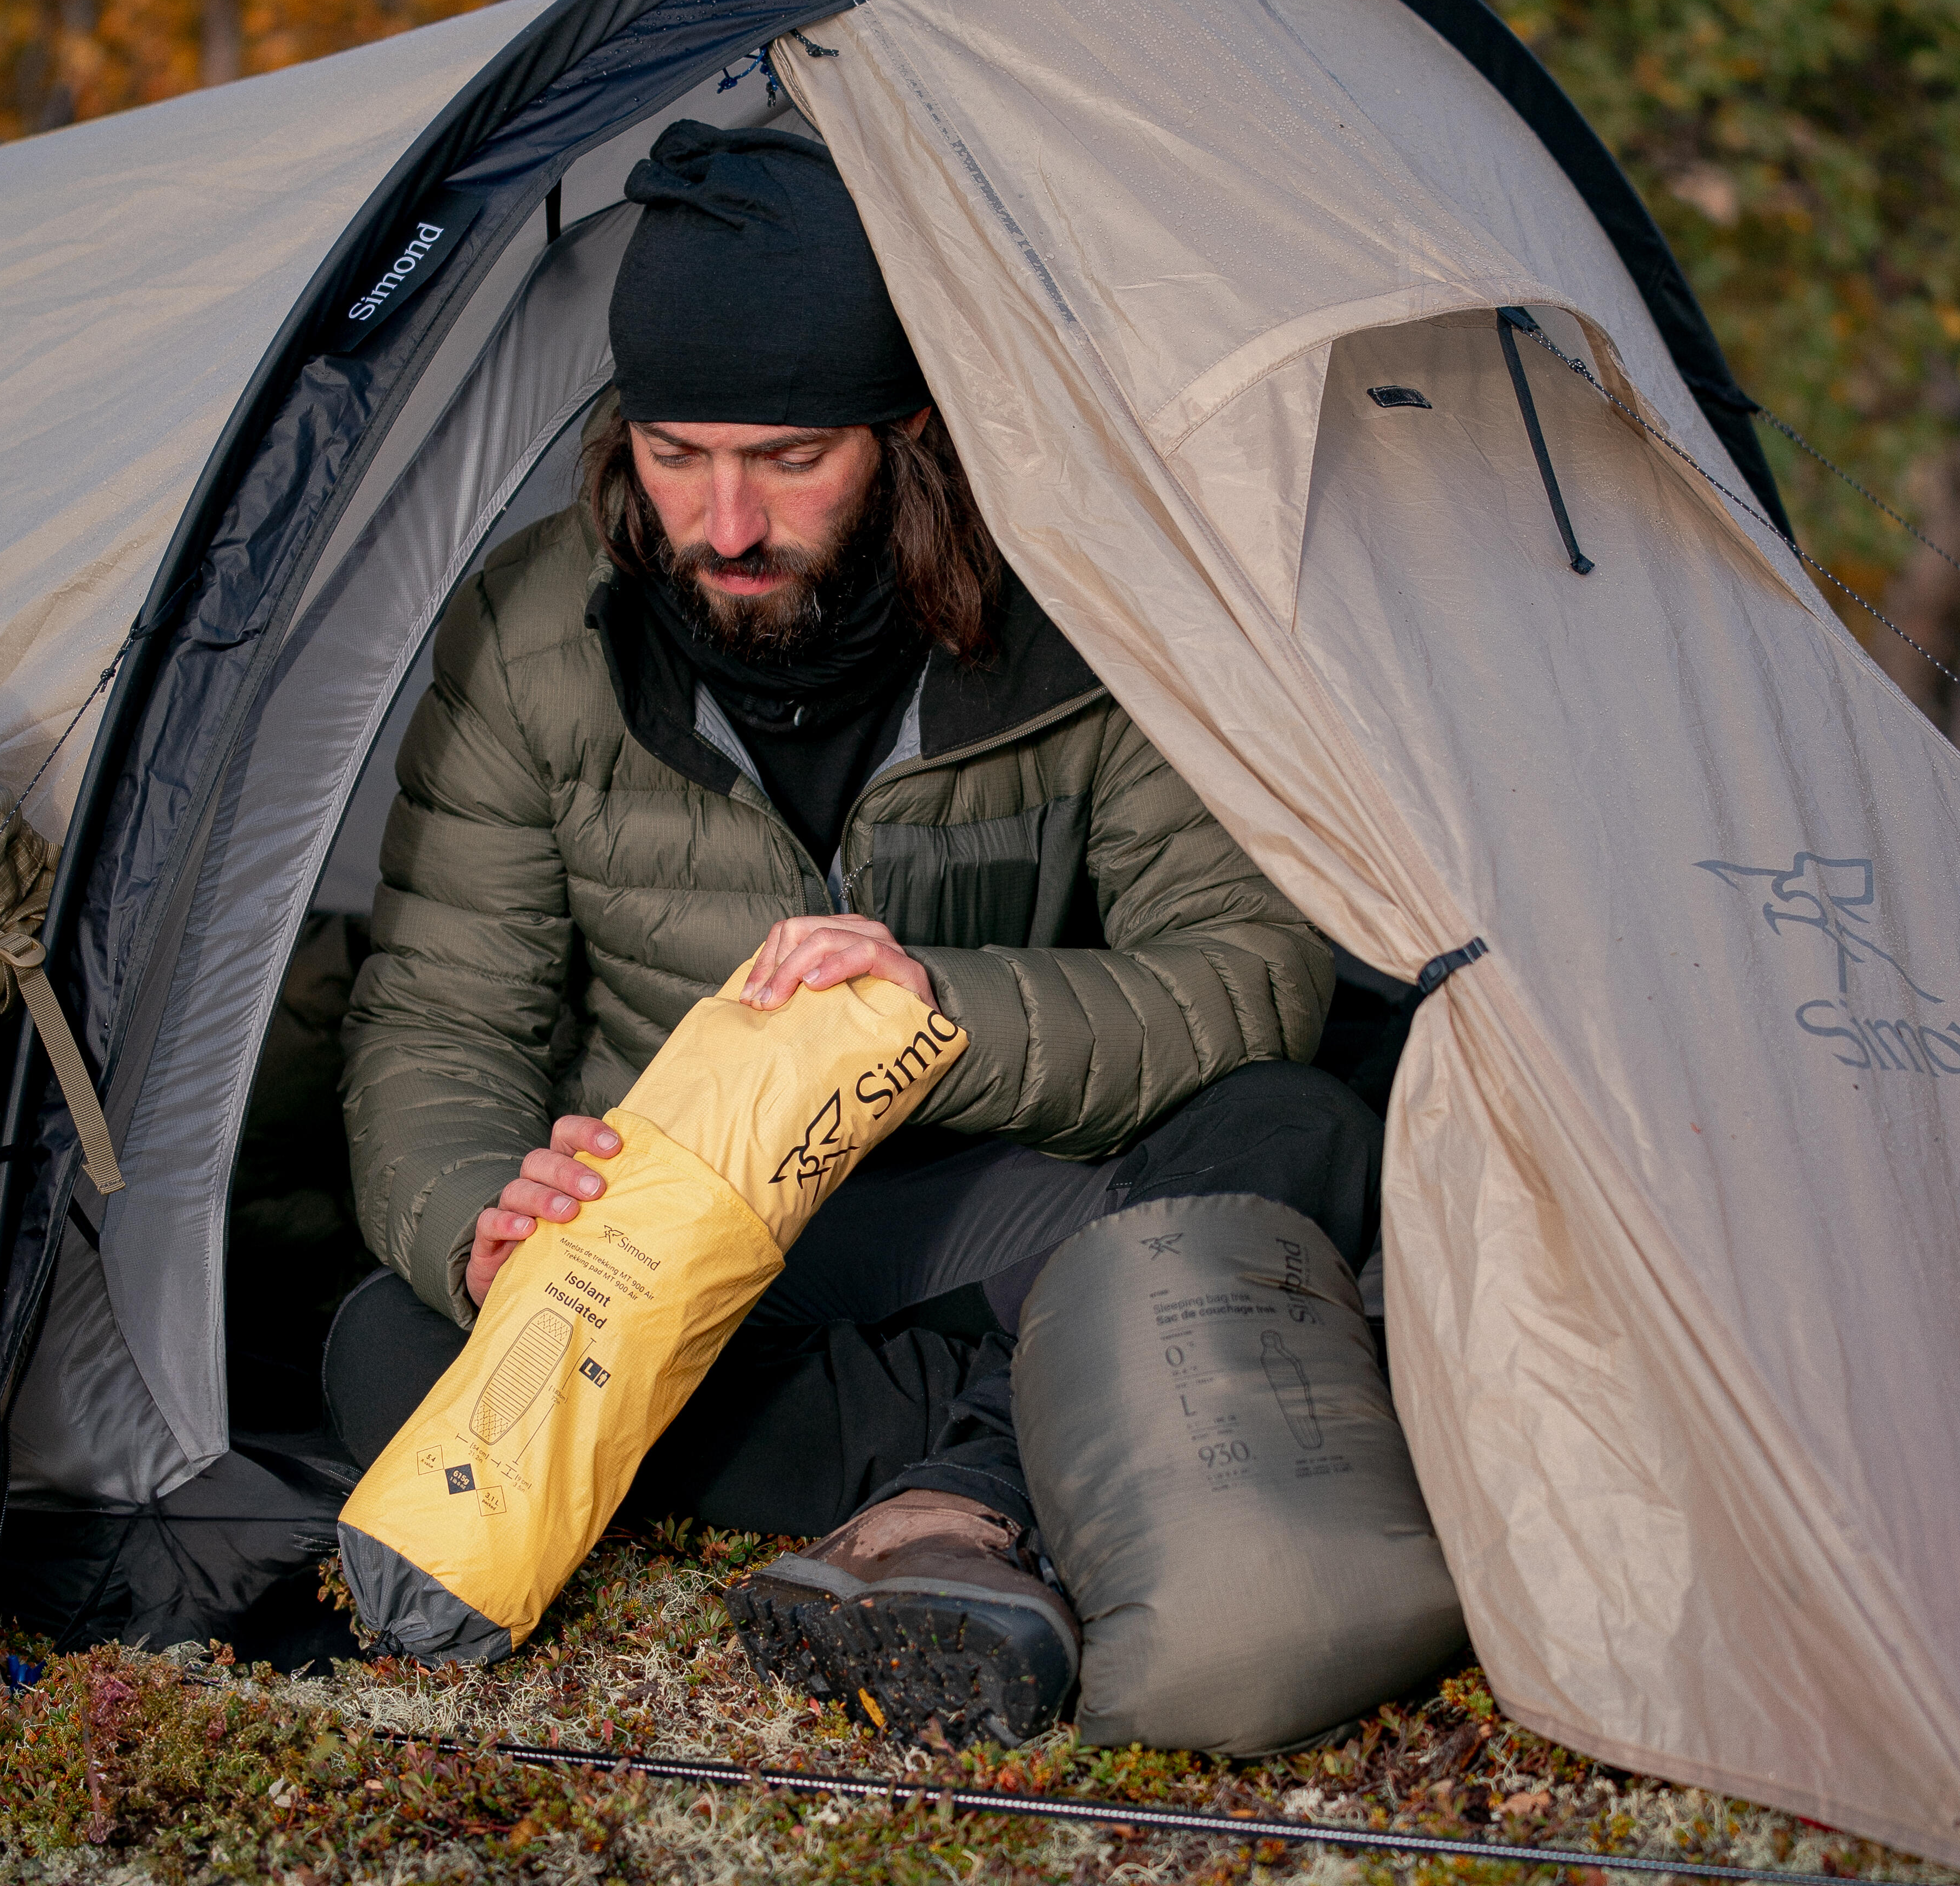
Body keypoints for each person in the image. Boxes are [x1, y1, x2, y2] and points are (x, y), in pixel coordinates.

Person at [332, 115, 1382, 1735]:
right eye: (677, 455)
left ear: (910, 436)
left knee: (1302, 1123)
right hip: (691, 1251)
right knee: (385, 1349)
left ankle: (946, 1498)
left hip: (998, 1207)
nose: (726, 524)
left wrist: (937, 1010)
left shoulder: (1079, 613)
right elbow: (439, 1018)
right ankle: (1027, 1432)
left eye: (788, 459)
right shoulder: (534, 633)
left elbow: (1247, 980)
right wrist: (485, 1225)